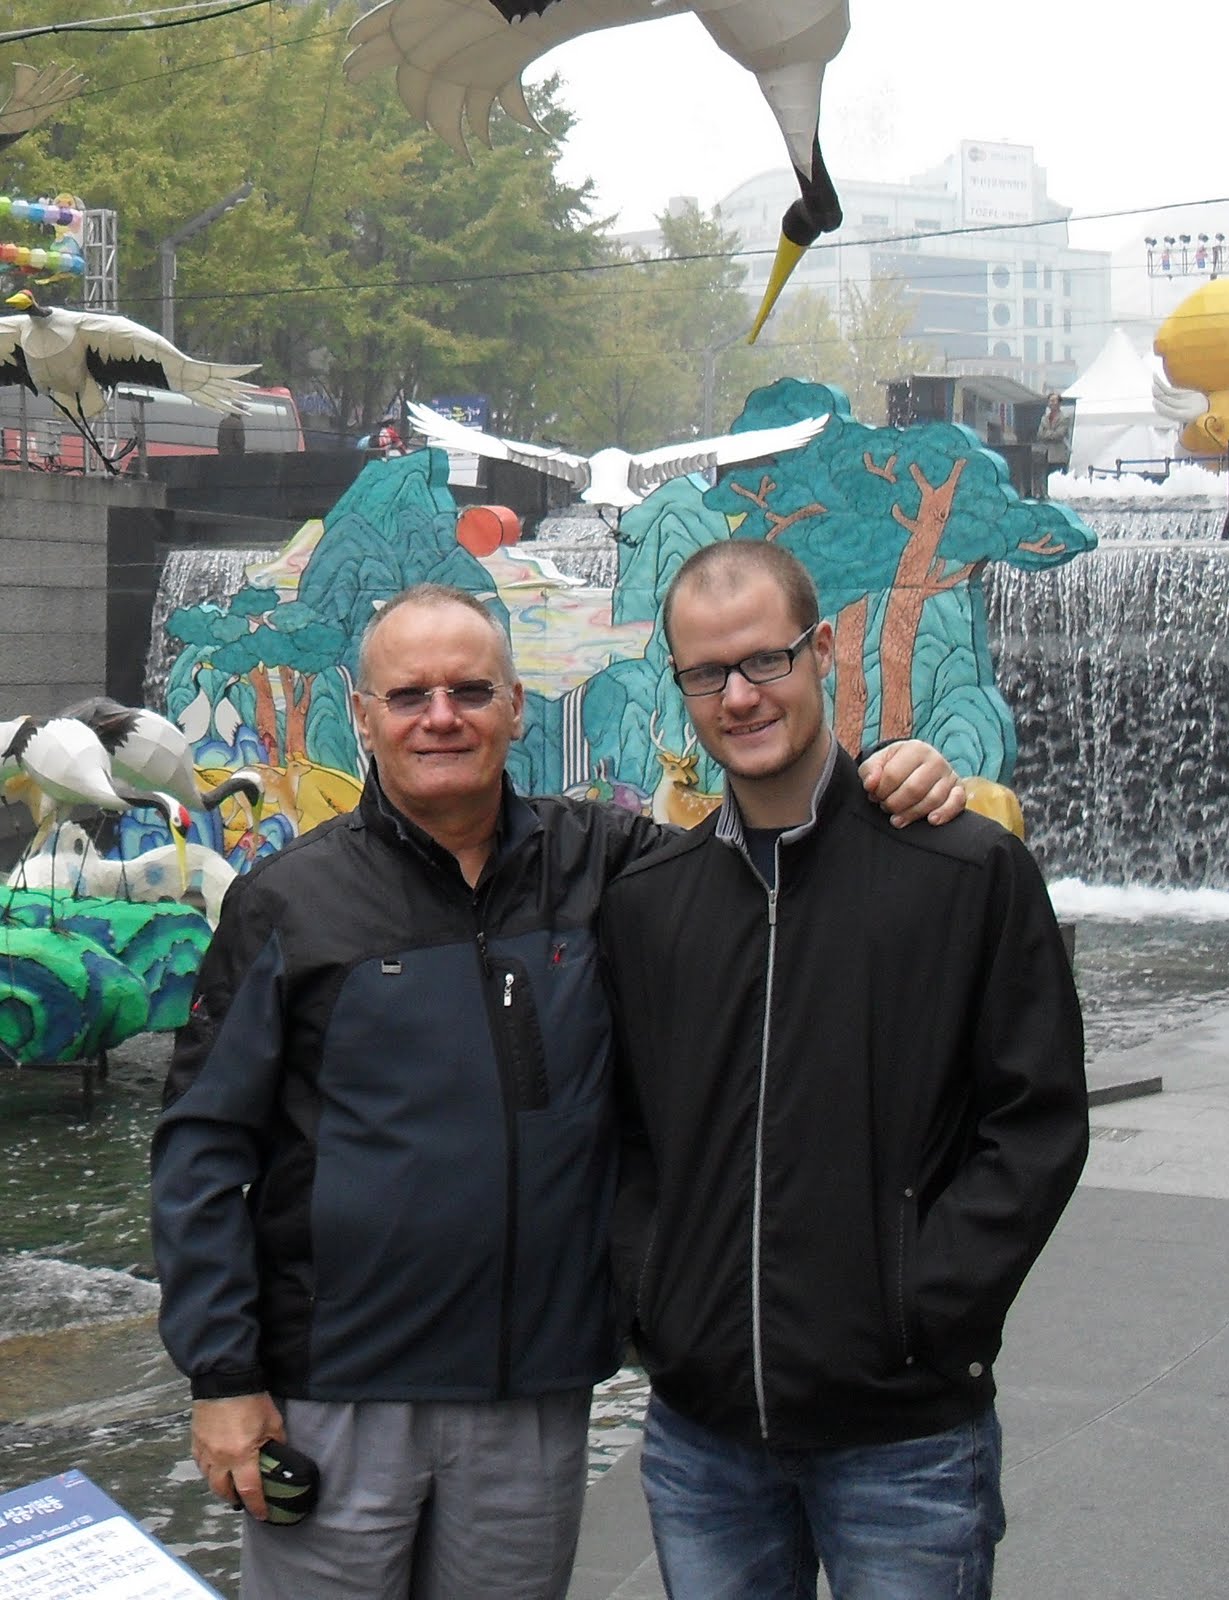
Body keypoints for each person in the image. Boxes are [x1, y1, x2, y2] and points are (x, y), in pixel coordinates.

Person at [150, 581, 964, 1600]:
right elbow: (201, 1147)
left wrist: (891, 775)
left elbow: (771, 862)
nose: (441, 717)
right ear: (362, 714)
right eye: (409, 696)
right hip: (337, 1393)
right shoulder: (288, 902)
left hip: (532, 1397)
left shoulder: (606, 865)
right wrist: (224, 1376)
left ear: (515, 706)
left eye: (469, 690)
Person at [600, 542, 1088, 1600]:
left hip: (903, 1440)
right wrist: (653, 1302)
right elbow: (627, 1136)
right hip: (702, 1440)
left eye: (764, 660)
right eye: (706, 673)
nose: (739, 695)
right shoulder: (649, 902)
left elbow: (1035, 1122)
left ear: (820, 649)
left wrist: (925, 1309)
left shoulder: (964, 871)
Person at [1036, 392, 1071, 476]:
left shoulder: (1064, 418)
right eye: (1050, 401)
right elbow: (1039, 434)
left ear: (1059, 403)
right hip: (1045, 457)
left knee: (1058, 480)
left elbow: (1059, 435)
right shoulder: (1044, 418)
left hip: (1058, 458)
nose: (1052, 403)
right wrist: (1051, 433)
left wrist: (1046, 433)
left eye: (1054, 401)